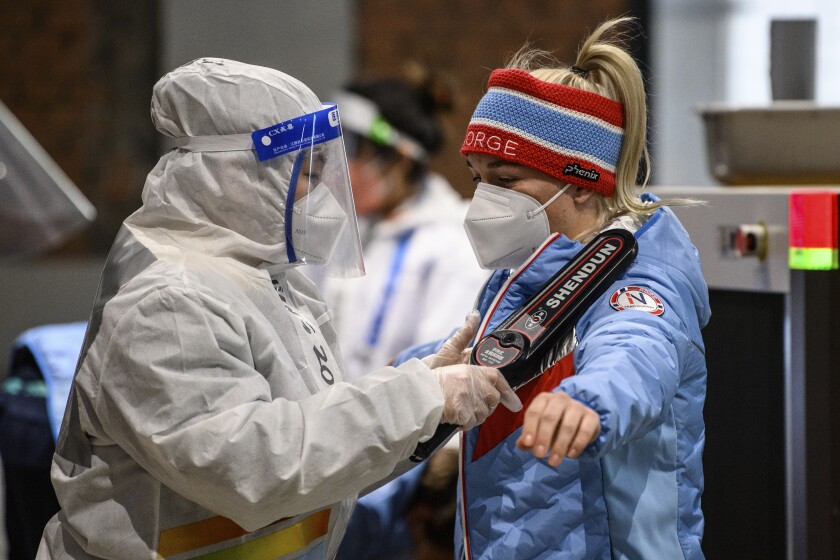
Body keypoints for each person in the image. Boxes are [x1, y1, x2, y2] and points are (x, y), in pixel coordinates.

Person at [35, 57, 521, 560]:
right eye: (306, 173)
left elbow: (318, 440)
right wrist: (417, 398)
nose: (321, 195)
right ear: (234, 173)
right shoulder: (170, 303)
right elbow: (257, 466)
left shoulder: (265, 280)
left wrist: (423, 405)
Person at [399, 18, 710, 559]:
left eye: (506, 180)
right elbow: (495, 366)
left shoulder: (635, 276)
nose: (484, 201)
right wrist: (410, 383)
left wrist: (587, 402)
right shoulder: (525, 273)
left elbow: (637, 349)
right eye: (477, 179)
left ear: (582, 182)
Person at [308, 69, 488, 382]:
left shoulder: (453, 245)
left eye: (351, 148)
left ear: (400, 159)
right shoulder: (339, 227)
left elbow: (438, 369)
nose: (334, 164)